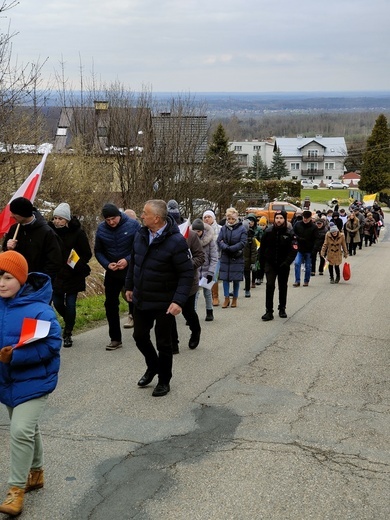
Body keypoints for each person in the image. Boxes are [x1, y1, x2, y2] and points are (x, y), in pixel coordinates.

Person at [0, 251, 61, 516]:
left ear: (22, 279)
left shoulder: (40, 310)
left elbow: (51, 346)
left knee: (20, 430)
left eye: (7, 277)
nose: (1, 283)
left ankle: (16, 491)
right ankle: (36, 473)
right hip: (6, 382)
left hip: (35, 381)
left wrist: (16, 355)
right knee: (26, 428)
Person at [125, 200, 193, 397]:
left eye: (145, 213)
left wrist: (178, 301)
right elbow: (134, 261)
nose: (141, 215)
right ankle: (153, 366)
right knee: (139, 336)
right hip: (142, 297)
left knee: (164, 343)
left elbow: (186, 273)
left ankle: (164, 380)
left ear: (156, 218)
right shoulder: (140, 234)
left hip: (165, 301)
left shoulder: (176, 241)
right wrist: (129, 286)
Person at [95, 203, 141, 350]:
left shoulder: (133, 225)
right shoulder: (101, 229)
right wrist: (107, 264)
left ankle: (141, 333)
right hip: (112, 271)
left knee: (135, 301)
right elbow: (98, 251)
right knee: (110, 304)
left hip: (131, 269)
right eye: (107, 220)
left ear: (119, 215)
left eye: (113, 218)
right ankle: (115, 338)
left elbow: (140, 247)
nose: (111, 222)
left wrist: (127, 260)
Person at [49, 203, 92, 348]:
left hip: (73, 273)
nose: (56, 221)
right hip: (57, 274)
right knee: (58, 302)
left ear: (66, 220)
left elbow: (87, 254)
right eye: (55, 218)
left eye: (60, 218)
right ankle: (69, 321)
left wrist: (74, 260)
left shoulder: (78, 233)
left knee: (71, 304)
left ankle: (67, 333)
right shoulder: (50, 232)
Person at [3, 197, 62, 282]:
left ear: (23, 213)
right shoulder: (14, 229)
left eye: (14, 213)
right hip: (15, 282)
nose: (11, 215)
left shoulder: (46, 232)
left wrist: (39, 281)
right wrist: (8, 249)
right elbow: (7, 255)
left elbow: (54, 262)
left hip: (36, 284)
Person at [170, 222, 205, 353]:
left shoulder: (190, 235)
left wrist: (185, 265)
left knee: (188, 311)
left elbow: (200, 257)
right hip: (168, 282)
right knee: (168, 313)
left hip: (188, 282)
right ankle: (173, 342)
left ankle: (195, 331)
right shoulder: (160, 236)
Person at [259, 211, 297, 321]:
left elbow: (294, 250)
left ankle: (282, 308)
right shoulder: (268, 231)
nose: (278, 220)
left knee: (282, 286)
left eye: (281, 218)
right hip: (270, 264)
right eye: (277, 218)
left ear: (284, 219)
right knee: (270, 285)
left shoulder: (290, 233)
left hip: (283, 264)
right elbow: (262, 249)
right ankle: (268, 311)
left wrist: (287, 262)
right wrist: (262, 264)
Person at [217, 207, 247, 308]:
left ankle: (234, 298)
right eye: (228, 218)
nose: (230, 221)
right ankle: (226, 298)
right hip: (225, 256)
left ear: (236, 218)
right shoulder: (223, 228)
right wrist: (226, 248)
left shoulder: (242, 228)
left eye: (232, 219)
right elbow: (219, 241)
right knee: (225, 278)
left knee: (236, 279)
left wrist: (231, 248)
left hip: (236, 256)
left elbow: (242, 242)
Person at [192, 218, 218, 322]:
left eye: (198, 231)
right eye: (194, 231)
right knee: (194, 294)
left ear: (202, 231)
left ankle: (209, 311)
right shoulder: (191, 240)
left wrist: (211, 272)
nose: (196, 233)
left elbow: (214, 258)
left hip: (207, 271)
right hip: (195, 271)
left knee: (207, 292)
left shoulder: (210, 241)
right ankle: (192, 314)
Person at [293, 210, 318, 287]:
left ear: (310, 218)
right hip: (299, 248)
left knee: (308, 266)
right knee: (297, 263)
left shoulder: (314, 227)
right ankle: (297, 281)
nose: (305, 219)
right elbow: (293, 233)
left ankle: (306, 280)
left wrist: (314, 250)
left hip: (309, 250)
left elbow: (316, 239)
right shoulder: (297, 224)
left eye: (307, 217)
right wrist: (296, 240)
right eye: (304, 217)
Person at [203, 210, 221, 306]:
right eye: (205, 217)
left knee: (213, 275)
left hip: (217, 256)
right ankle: (208, 295)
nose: (206, 219)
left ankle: (215, 297)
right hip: (205, 257)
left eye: (208, 217)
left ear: (213, 218)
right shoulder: (201, 229)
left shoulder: (220, 229)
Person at [243, 220, 258, 297]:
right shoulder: (237, 237)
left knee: (247, 275)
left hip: (247, 261)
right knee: (236, 276)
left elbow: (254, 251)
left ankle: (247, 289)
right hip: (238, 259)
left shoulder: (251, 239)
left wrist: (253, 262)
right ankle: (234, 290)